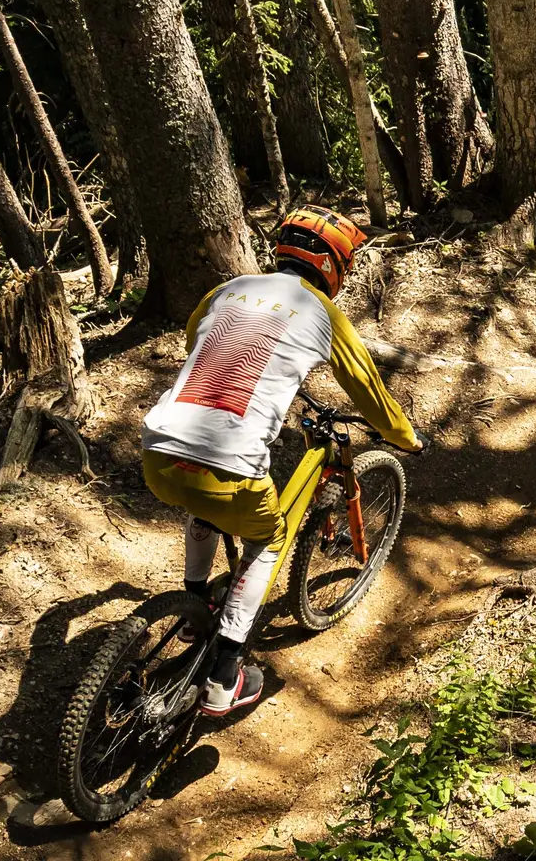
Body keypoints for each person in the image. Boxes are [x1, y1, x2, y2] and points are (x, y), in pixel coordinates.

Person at [140, 205, 421, 715]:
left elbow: (197, 346)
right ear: (335, 267)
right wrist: (403, 437)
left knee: (203, 504)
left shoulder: (225, 291)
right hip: (228, 466)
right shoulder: (323, 313)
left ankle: (194, 607)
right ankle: (225, 676)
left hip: (158, 449)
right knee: (268, 539)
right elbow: (369, 394)